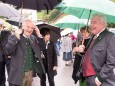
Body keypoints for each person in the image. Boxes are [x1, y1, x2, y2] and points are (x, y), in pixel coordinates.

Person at [77, 14, 115, 86]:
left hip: (99, 79)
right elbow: (91, 53)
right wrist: (83, 51)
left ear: (103, 24)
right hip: (87, 77)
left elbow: (111, 61)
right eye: (91, 23)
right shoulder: (93, 36)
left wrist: (100, 78)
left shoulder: (111, 37)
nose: (91, 25)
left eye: (94, 23)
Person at [4, 19, 45, 86]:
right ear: (22, 27)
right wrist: (16, 37)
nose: (30, 29)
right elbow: (8, 51)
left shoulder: (33, 38)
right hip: (18, 73)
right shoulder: (14, 36)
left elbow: (42, 48)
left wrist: (38, 34)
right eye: (28, 27)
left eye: (32, 28)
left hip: (30, 73)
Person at [0, 20, 11, 86]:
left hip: (8, 56)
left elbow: (11, 43)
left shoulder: (7, 32)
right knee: (1, 75)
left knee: (10, 74)